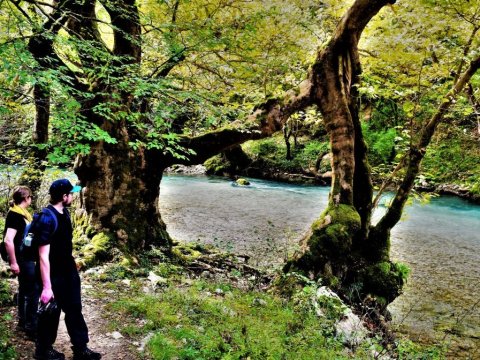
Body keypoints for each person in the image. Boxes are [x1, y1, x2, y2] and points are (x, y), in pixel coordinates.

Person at [34, 179, 101, 360]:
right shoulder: (47, 218)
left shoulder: (64, 213)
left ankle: (80, 348)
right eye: (71, 193)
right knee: (51, 312)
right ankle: (43, 350)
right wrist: (47, 287)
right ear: (64, 197)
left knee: (74, 309)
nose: (73, 196)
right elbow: (42, 256)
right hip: (52, 274)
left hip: (68, 271)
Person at [3, 185, 39, 338]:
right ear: (26, 198)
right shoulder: (15, 215)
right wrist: (13, 262)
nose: (31, 199)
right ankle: (31, 327)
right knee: (33, 291)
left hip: (25, 257)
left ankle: (23, 322)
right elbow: (8, 240)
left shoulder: (22, 213)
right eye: (30, 197)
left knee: (24, 289)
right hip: (21, 258)